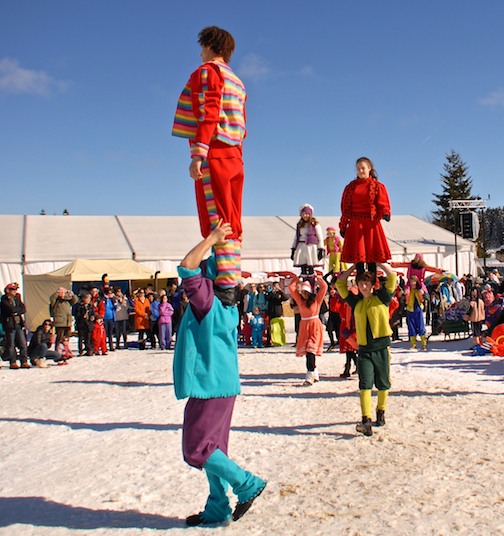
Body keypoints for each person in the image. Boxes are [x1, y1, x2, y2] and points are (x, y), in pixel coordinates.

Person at [173, 222, 265, 526]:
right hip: (223, 385)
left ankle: (246, 483)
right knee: (213, 448)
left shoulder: (206, 299)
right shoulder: (228, 304)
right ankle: (217, 507)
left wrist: (211, 238)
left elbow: (187, 267)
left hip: (209, 385)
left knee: (196, 449)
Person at [172, 26, 247, 292]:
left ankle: (225, 289)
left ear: (210, 46)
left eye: (203, 46)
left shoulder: (208, 72)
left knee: (217, 217)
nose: (201, 52)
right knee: (231, 219)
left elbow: (208, 113)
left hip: (215, 151)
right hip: (235, 154)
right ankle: (231, 281)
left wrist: (198, 154)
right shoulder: (237, 80)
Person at [336, 263, 397, 436]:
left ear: (373, 285)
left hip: (381, 347)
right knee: (365, 384)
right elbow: (340, 284)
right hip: (363, 350)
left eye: (366, 283)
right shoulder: (356, 302)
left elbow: (392, 278)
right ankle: (366, 421)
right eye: (360, 283)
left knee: (383, 383)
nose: (363, 286)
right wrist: (353, 268)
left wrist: (380, 265)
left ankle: (381, 412)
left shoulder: (383, 298)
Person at [339, 157, 392, 276]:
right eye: (358, 169)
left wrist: (385, 212)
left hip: (371, 223)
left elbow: (382, 201)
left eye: (362, 168)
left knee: (371, 256)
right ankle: (359, 282)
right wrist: (343, 226)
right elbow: (345, 209)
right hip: (356, 224)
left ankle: (373, 282)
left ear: (369, 168)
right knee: (359, 258)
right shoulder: (350, 187)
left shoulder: (377, 186)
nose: (360, 171)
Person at [288, 275, 328, 386]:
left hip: (314, 326)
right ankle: (315, 373)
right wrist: (297, 278)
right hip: (304, 326)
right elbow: (291, 288)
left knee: (311, 350)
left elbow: (324, 287)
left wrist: (318, 278)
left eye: (305, 292)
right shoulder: (300, 301)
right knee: (307, 352)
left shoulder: (316, 301)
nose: (303, 294)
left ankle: (309, 377)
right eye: (302, 292)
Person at [291, 204, 324, 287]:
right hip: (301, 246)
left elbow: (320, 236)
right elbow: (296, 238)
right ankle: (304, 287)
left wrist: (321, 249)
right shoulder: (299, 225)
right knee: (303, 269)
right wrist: (293, 249)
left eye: (307, 214)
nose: (305, 216)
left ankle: (312, 287)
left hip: (311, 247)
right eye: (303, 214)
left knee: (310, 268)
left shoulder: (315, 224)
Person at [2, 284, 30, 369]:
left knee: (23, 344)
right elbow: (11, 310)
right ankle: (12, 362)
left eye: (15, 290)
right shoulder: (4, 299)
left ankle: (24, 361)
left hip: (19, 324)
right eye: (13, 290)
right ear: (8, 290)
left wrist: (16, 312)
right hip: (10, 325)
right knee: (11, 344)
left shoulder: (17, 298)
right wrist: (16, 311)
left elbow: (23, 308)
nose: (15, 291)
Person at [406, 275, 427, 350]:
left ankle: (424, 344)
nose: (413, 283)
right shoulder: (408, 290)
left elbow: (427, 297)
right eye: (411, 281)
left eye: (414, 281)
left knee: (421, 327)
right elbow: (403, 300)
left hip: (418, 310)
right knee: (411, 328)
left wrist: (423, 294)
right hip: (410, 310)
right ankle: (413, 344)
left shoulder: (420, 289)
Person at [75, 292, 95, 357]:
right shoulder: (79, 306)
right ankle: (80, 351)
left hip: (89, 324)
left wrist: (93, 317)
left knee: (88, 338)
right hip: (81, 324)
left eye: (89, 299)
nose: (88, 300)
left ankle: (89, 350)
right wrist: (82, 316)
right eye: (87, 299)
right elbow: (77, 315)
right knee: (81, 338)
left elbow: (93, 313)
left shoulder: (90, 306)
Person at [102, 287, 118, 352]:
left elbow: (115, 307)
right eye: (108, 293)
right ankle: (104, 346)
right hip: (104, 317)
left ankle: (111, 345)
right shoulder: (104, 300)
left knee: (110, 332)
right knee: (105, 333)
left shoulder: (112, 300)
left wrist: (113, 299)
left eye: (110, 293)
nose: (109, 294)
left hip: (111, 316)